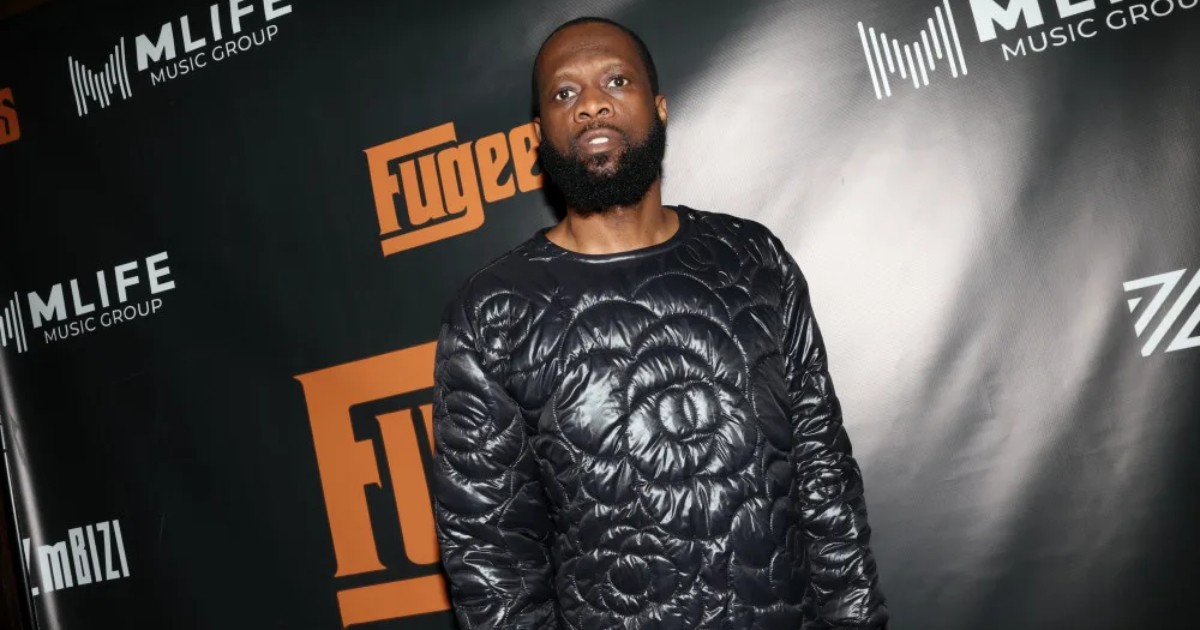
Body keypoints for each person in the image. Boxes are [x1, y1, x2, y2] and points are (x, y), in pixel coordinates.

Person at [429, 16, 888, 630]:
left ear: (660, 107)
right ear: (539, 135)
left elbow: (824, 476)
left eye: (616, 81)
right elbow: (492, 559)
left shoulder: (753, 259)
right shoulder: (494, 312)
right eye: (565, 92)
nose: (591, 104)